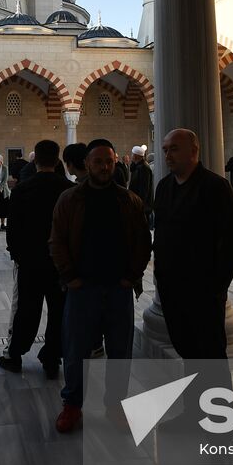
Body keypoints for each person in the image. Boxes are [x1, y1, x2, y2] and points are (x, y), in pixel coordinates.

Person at [152, 128, 233, 465]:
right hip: (173, 291)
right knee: (190, 355)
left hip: (203, 292)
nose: (167, 155)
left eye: (174, 149)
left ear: (194, 149)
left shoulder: (215, 188)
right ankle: (193, 414)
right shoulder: (164, 188)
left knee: (211, 362)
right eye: (165, 149)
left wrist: (217, 287)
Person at [50, 138, 150, 433]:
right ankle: (72, 406)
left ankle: (116, 405)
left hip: (119, 289)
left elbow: (143, 242)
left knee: (120, 351)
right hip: (83, 289)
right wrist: (70, 277)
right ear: (87, 165)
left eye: (109, 162)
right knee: (75, 350)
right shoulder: (70, 200)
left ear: (115, 161)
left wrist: (131, 276)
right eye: (98, 162)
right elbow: (57, 241)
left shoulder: (128, 200)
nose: (105, 167)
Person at [0, 139, 73, 378]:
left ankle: (16, 355)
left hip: (31, 263)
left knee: (27, 310)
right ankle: (52, 358)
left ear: (36, 160)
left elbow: (14, 229)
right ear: (57, 158)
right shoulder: (68, 190)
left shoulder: (22, 190)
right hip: (59, 264)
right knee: (58, 311)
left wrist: (18, 256)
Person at [127, 145, 154, 228]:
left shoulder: (144, 168)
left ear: (136, 156)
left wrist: (140, 204)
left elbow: (144, 189)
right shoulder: (138, 166)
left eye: (132, 155)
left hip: (141, 204)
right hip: (137, 201)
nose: (131, 156)